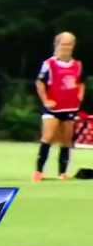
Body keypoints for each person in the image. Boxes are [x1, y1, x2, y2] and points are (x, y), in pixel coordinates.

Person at [33, 32, 85, 182]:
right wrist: (46, 100)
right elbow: (40, 82)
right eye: (64, 44)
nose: (66, 47)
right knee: (48, 137)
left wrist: (79, 96)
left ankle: (62, 173)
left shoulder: (77, 65)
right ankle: (39, 171)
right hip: (53, 109)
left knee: (67, 140)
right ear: (57, 45)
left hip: (69, 108)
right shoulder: (49, 64)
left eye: (69, 44)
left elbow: (81, 82)